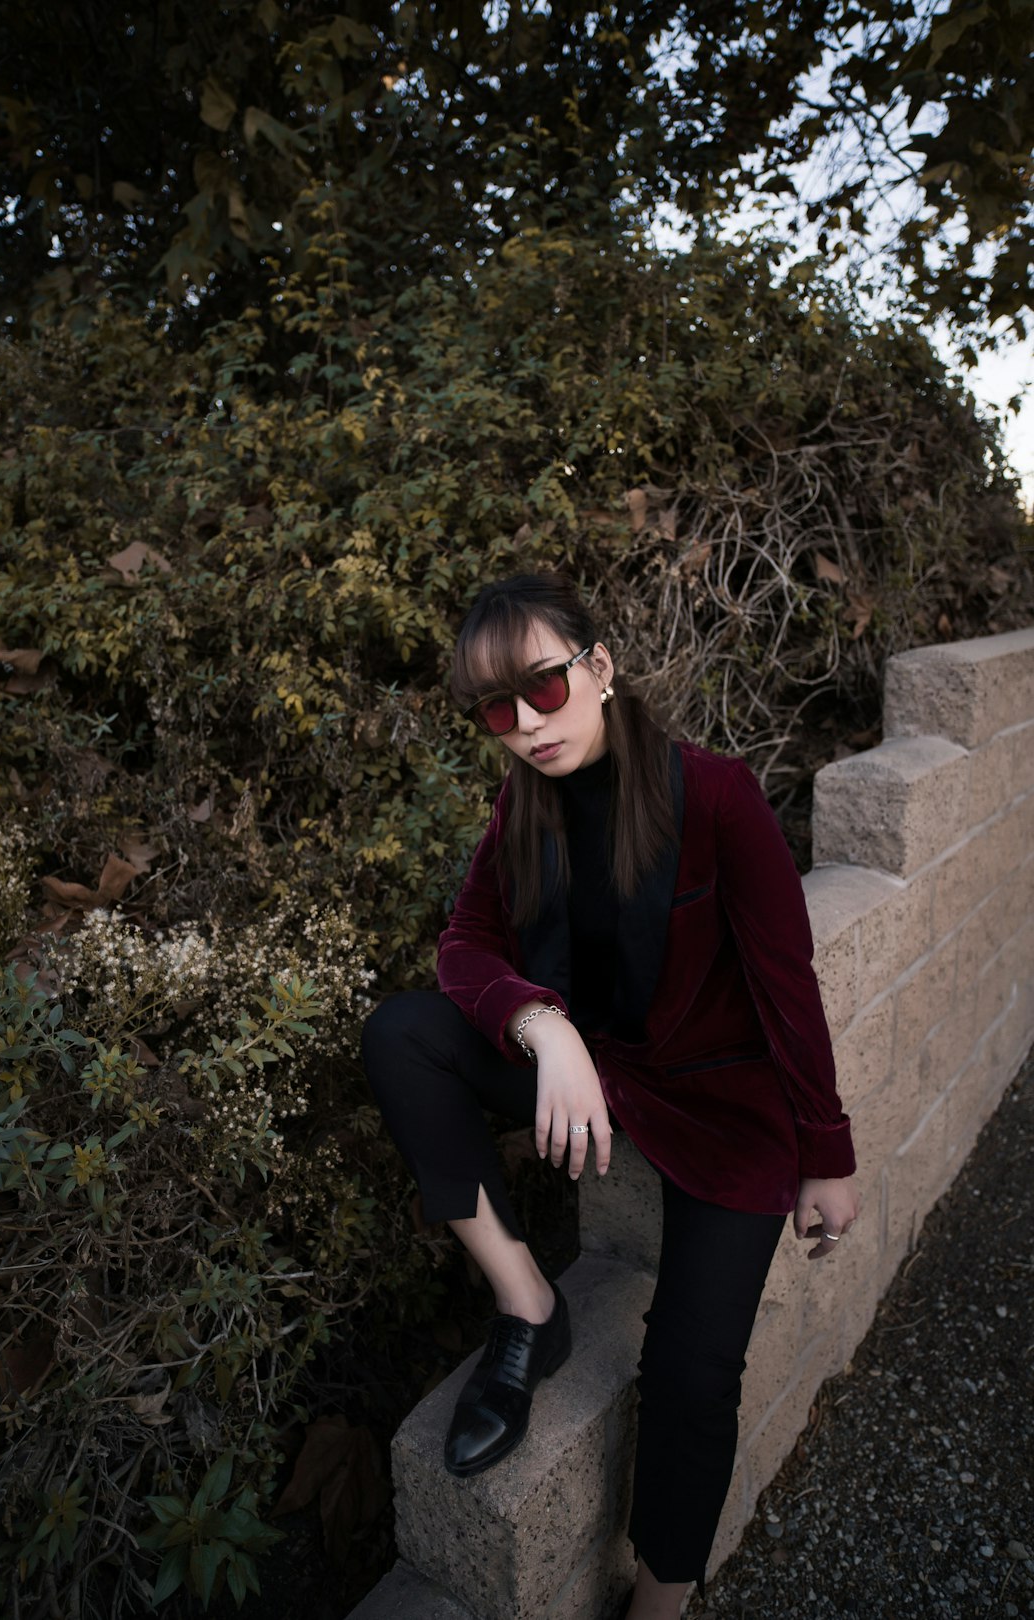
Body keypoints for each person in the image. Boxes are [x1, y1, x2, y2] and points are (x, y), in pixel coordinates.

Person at [361, 572, 860, 1620]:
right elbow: (467, 943)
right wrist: (543, 1029)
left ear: (598, 669)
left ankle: (662, 1599)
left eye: (544, 688)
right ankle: (528, 1305)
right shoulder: (523, 804)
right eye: (496, 710)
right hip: (601, 1076)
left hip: (725, 1112)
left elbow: (786, 982)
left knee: (692, 1373)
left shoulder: (715, 795)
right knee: (403, 1034)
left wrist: (828, 1151)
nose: (527, 725)